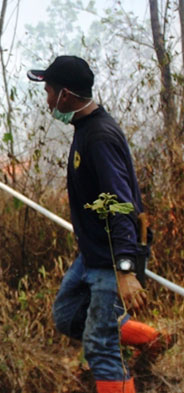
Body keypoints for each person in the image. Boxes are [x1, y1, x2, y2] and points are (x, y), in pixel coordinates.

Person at [27, 56, 176, 393]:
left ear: (65, 95)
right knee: (67, 315)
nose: (47, 100)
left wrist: (125, 270)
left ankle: (117, 350)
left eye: (49, 92)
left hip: (114, 256)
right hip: (93, 252)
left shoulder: (99, 137)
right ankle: (150, 338)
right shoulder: (85, 129)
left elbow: (121, 206)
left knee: (100, 346)